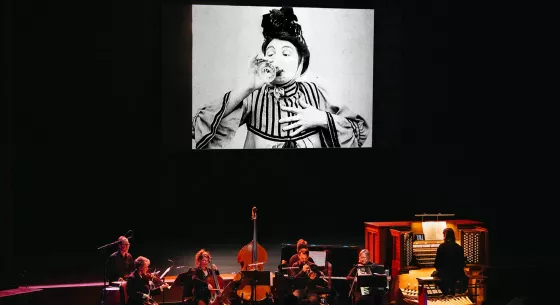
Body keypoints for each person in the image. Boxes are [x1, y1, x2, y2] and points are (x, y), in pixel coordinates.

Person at [192, 7, 369, 149]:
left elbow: (358, 132)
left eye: (286, 54)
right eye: (270, 53)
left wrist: (322, 119)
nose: (276, 60)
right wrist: (249, 86)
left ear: (301, 63)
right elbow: (200, 128)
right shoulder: (253, 97)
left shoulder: (316, 93)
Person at [433, 228, 467, 296]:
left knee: (434, 275)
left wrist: (440, 269)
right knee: (452, 277)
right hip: (457, 274)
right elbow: (462, 264)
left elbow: (436, 264)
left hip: (444, 274)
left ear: (445, 236)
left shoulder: (442, 247)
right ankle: (452, 293)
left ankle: (443, 292)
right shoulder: (459, 247)